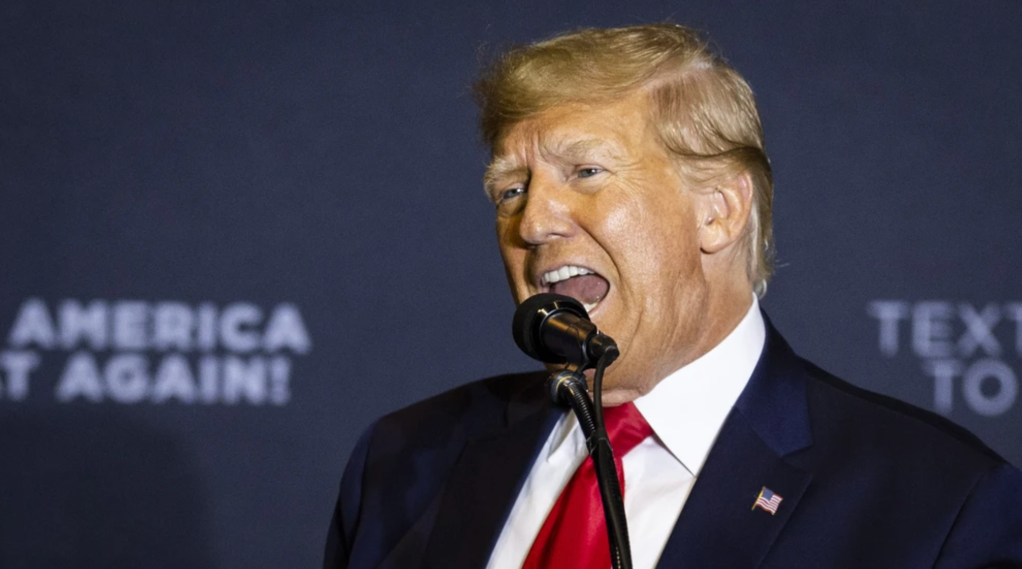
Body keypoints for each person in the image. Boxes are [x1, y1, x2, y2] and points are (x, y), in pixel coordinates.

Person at [323, 24, 1022, 569]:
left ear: (718, 210)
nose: (531, 223)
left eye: (586, 171)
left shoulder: (939, 507)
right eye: (511, 189)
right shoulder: (404, 460)